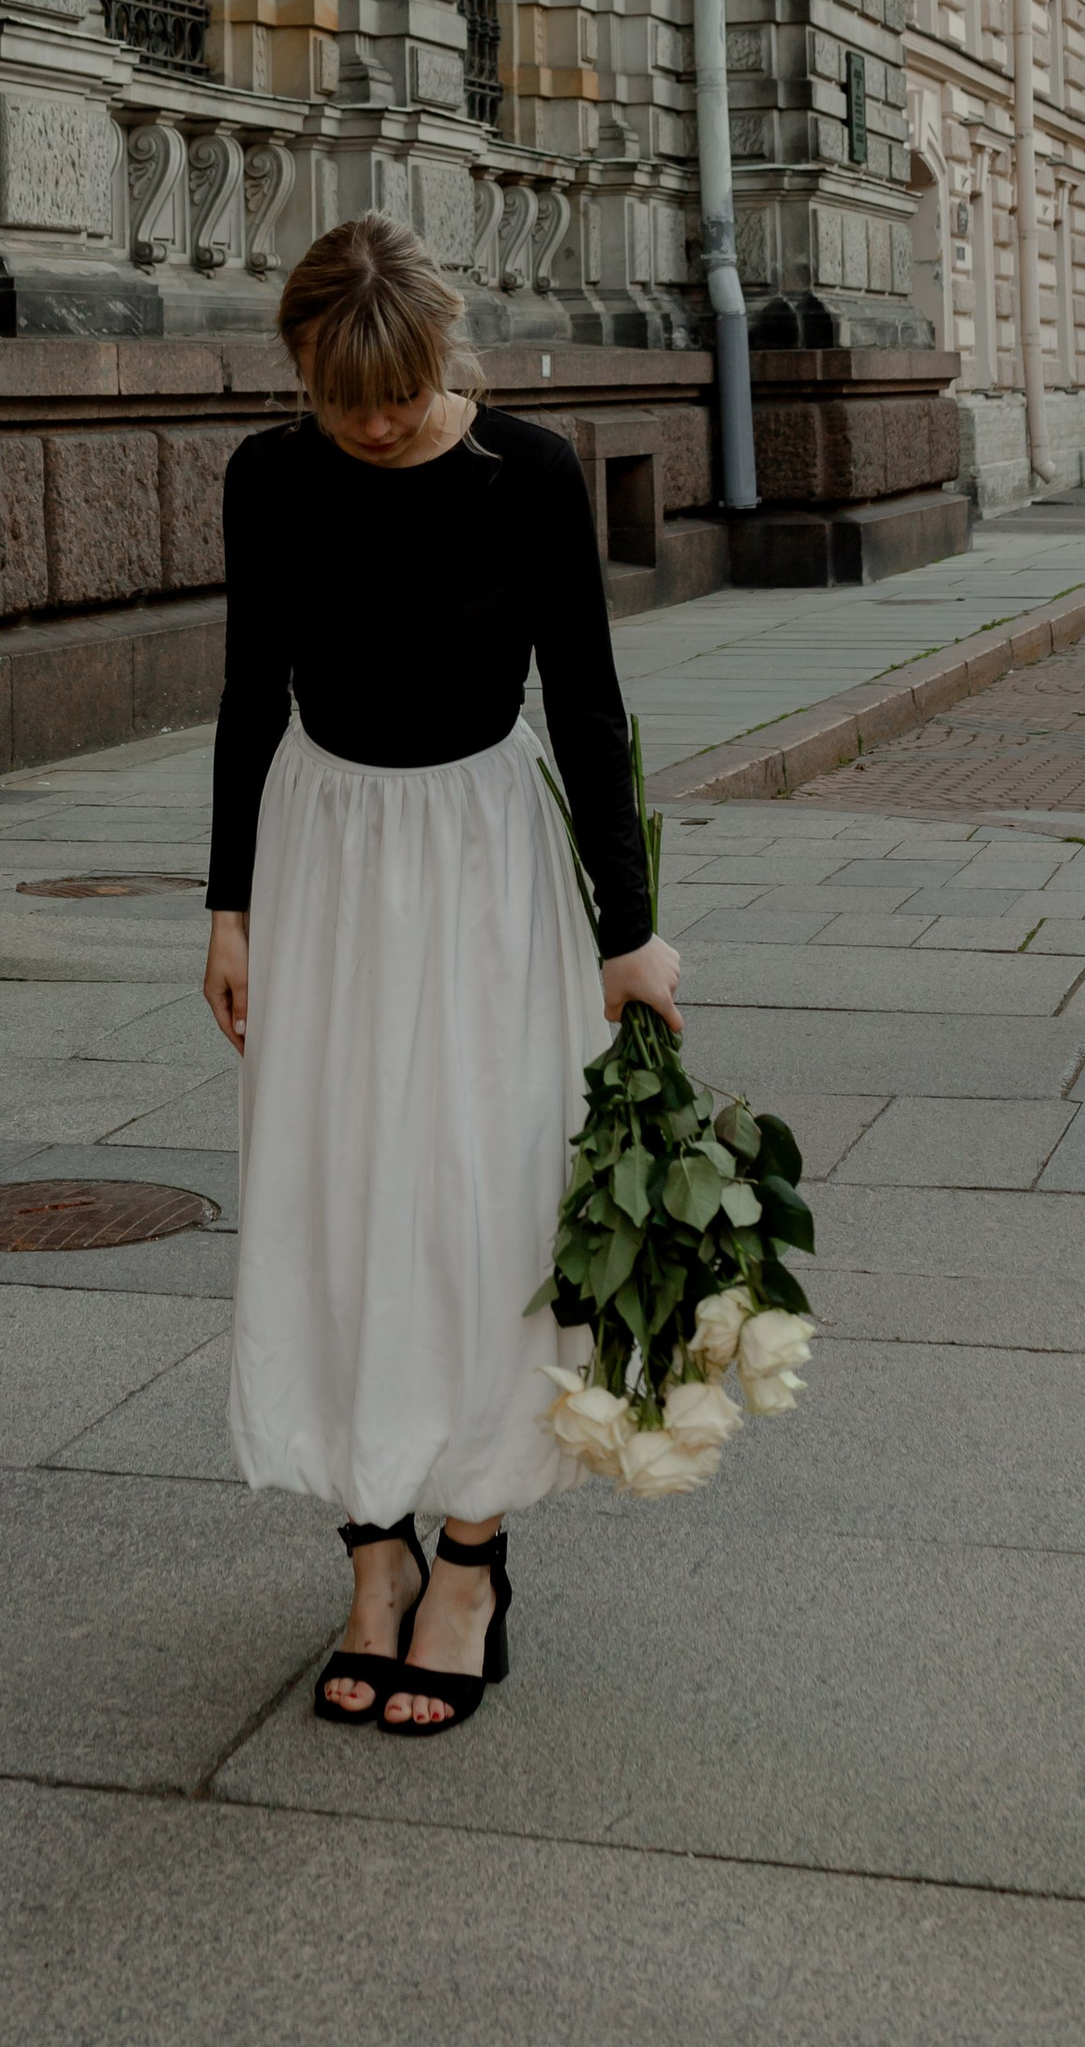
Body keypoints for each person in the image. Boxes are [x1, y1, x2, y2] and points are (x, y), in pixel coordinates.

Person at [202, 211, 684, 1735]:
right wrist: (228, 911)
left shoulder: (530, 476)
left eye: (397, 394)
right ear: (301, 375)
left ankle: (471, 1558)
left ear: (437, 358)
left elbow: (591, 709)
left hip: (487, 866)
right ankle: (372, 1552)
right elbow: (243, 695)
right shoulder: (271, 479)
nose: (374, 423)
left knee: (486, 1201)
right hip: (326, 861)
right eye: (343, 401)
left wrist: (628, 934)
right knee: (337, 1191)